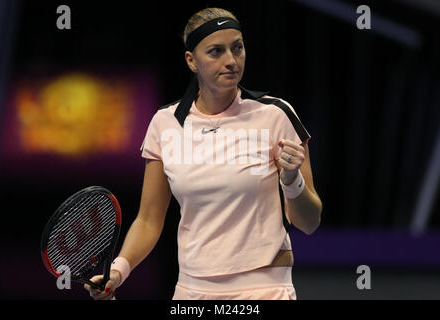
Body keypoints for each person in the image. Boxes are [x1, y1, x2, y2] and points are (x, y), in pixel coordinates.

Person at [84, 7, 322, 300]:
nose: (231, 61)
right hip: (192, 292)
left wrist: (291, 179)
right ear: (191, 61)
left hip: (266, 289)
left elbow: (309, 223)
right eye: (216, 52)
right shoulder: (165, 123)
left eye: (238, 48)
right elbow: (148, 219)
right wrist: (118, 271)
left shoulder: (276, 115)